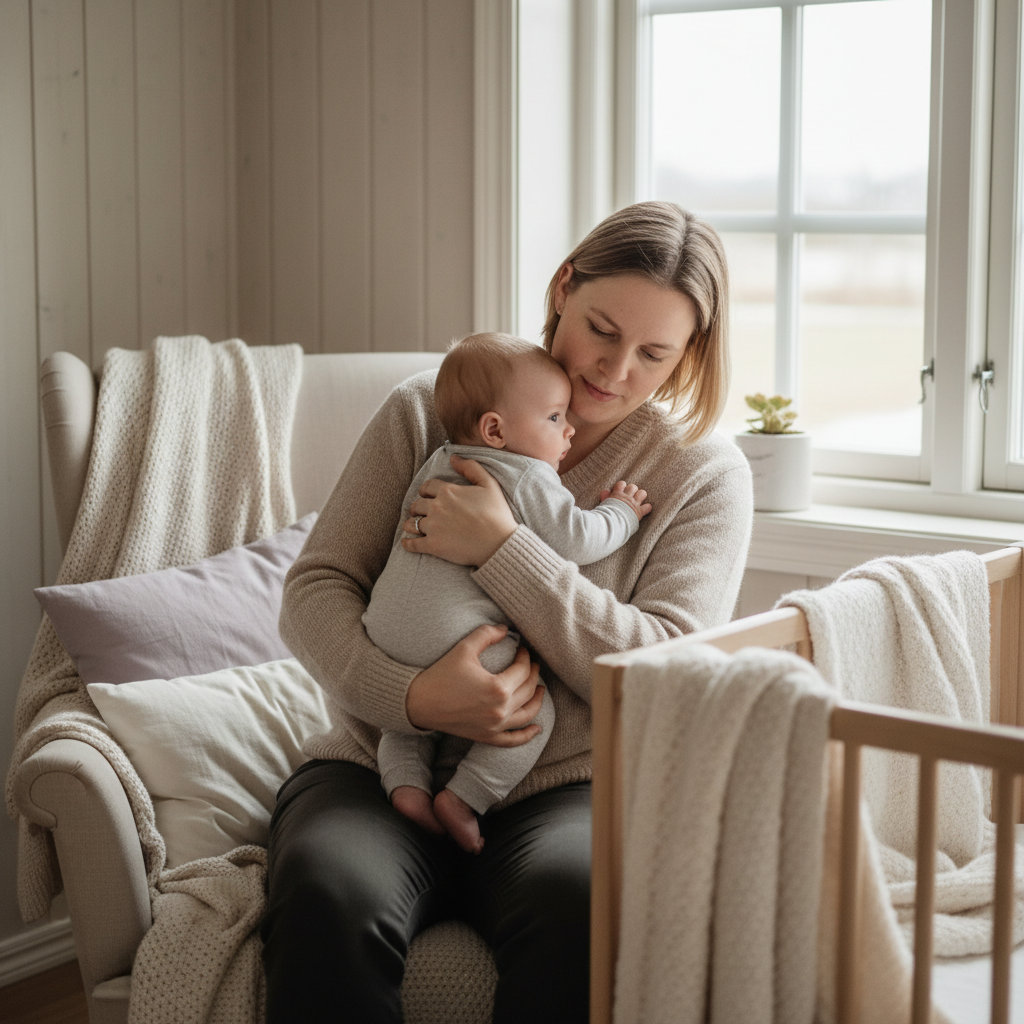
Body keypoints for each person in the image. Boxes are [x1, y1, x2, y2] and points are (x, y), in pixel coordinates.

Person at [264, 200, 754, 1024]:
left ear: (689, 356)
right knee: (326, 893)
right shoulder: (427, 412)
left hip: (566, 787)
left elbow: (663, 676)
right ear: (563, 286)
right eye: (601, 328)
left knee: (580, 902)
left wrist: (502, 548)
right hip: (375, 761)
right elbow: (315, 590)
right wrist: (411, 699)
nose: (614, 370)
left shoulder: (702, 474)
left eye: (654, 354)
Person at [364, 331, 651, 856]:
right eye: (553, 418)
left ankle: (405, 786)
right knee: (533, 715)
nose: (568, 429)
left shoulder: (438, 460)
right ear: (495, 430)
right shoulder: (525, 475)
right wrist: (622, 513)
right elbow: (578, 538)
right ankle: (463, 798)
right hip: (456, 635)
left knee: (404, 724)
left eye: (653, 352)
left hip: (385, 629)